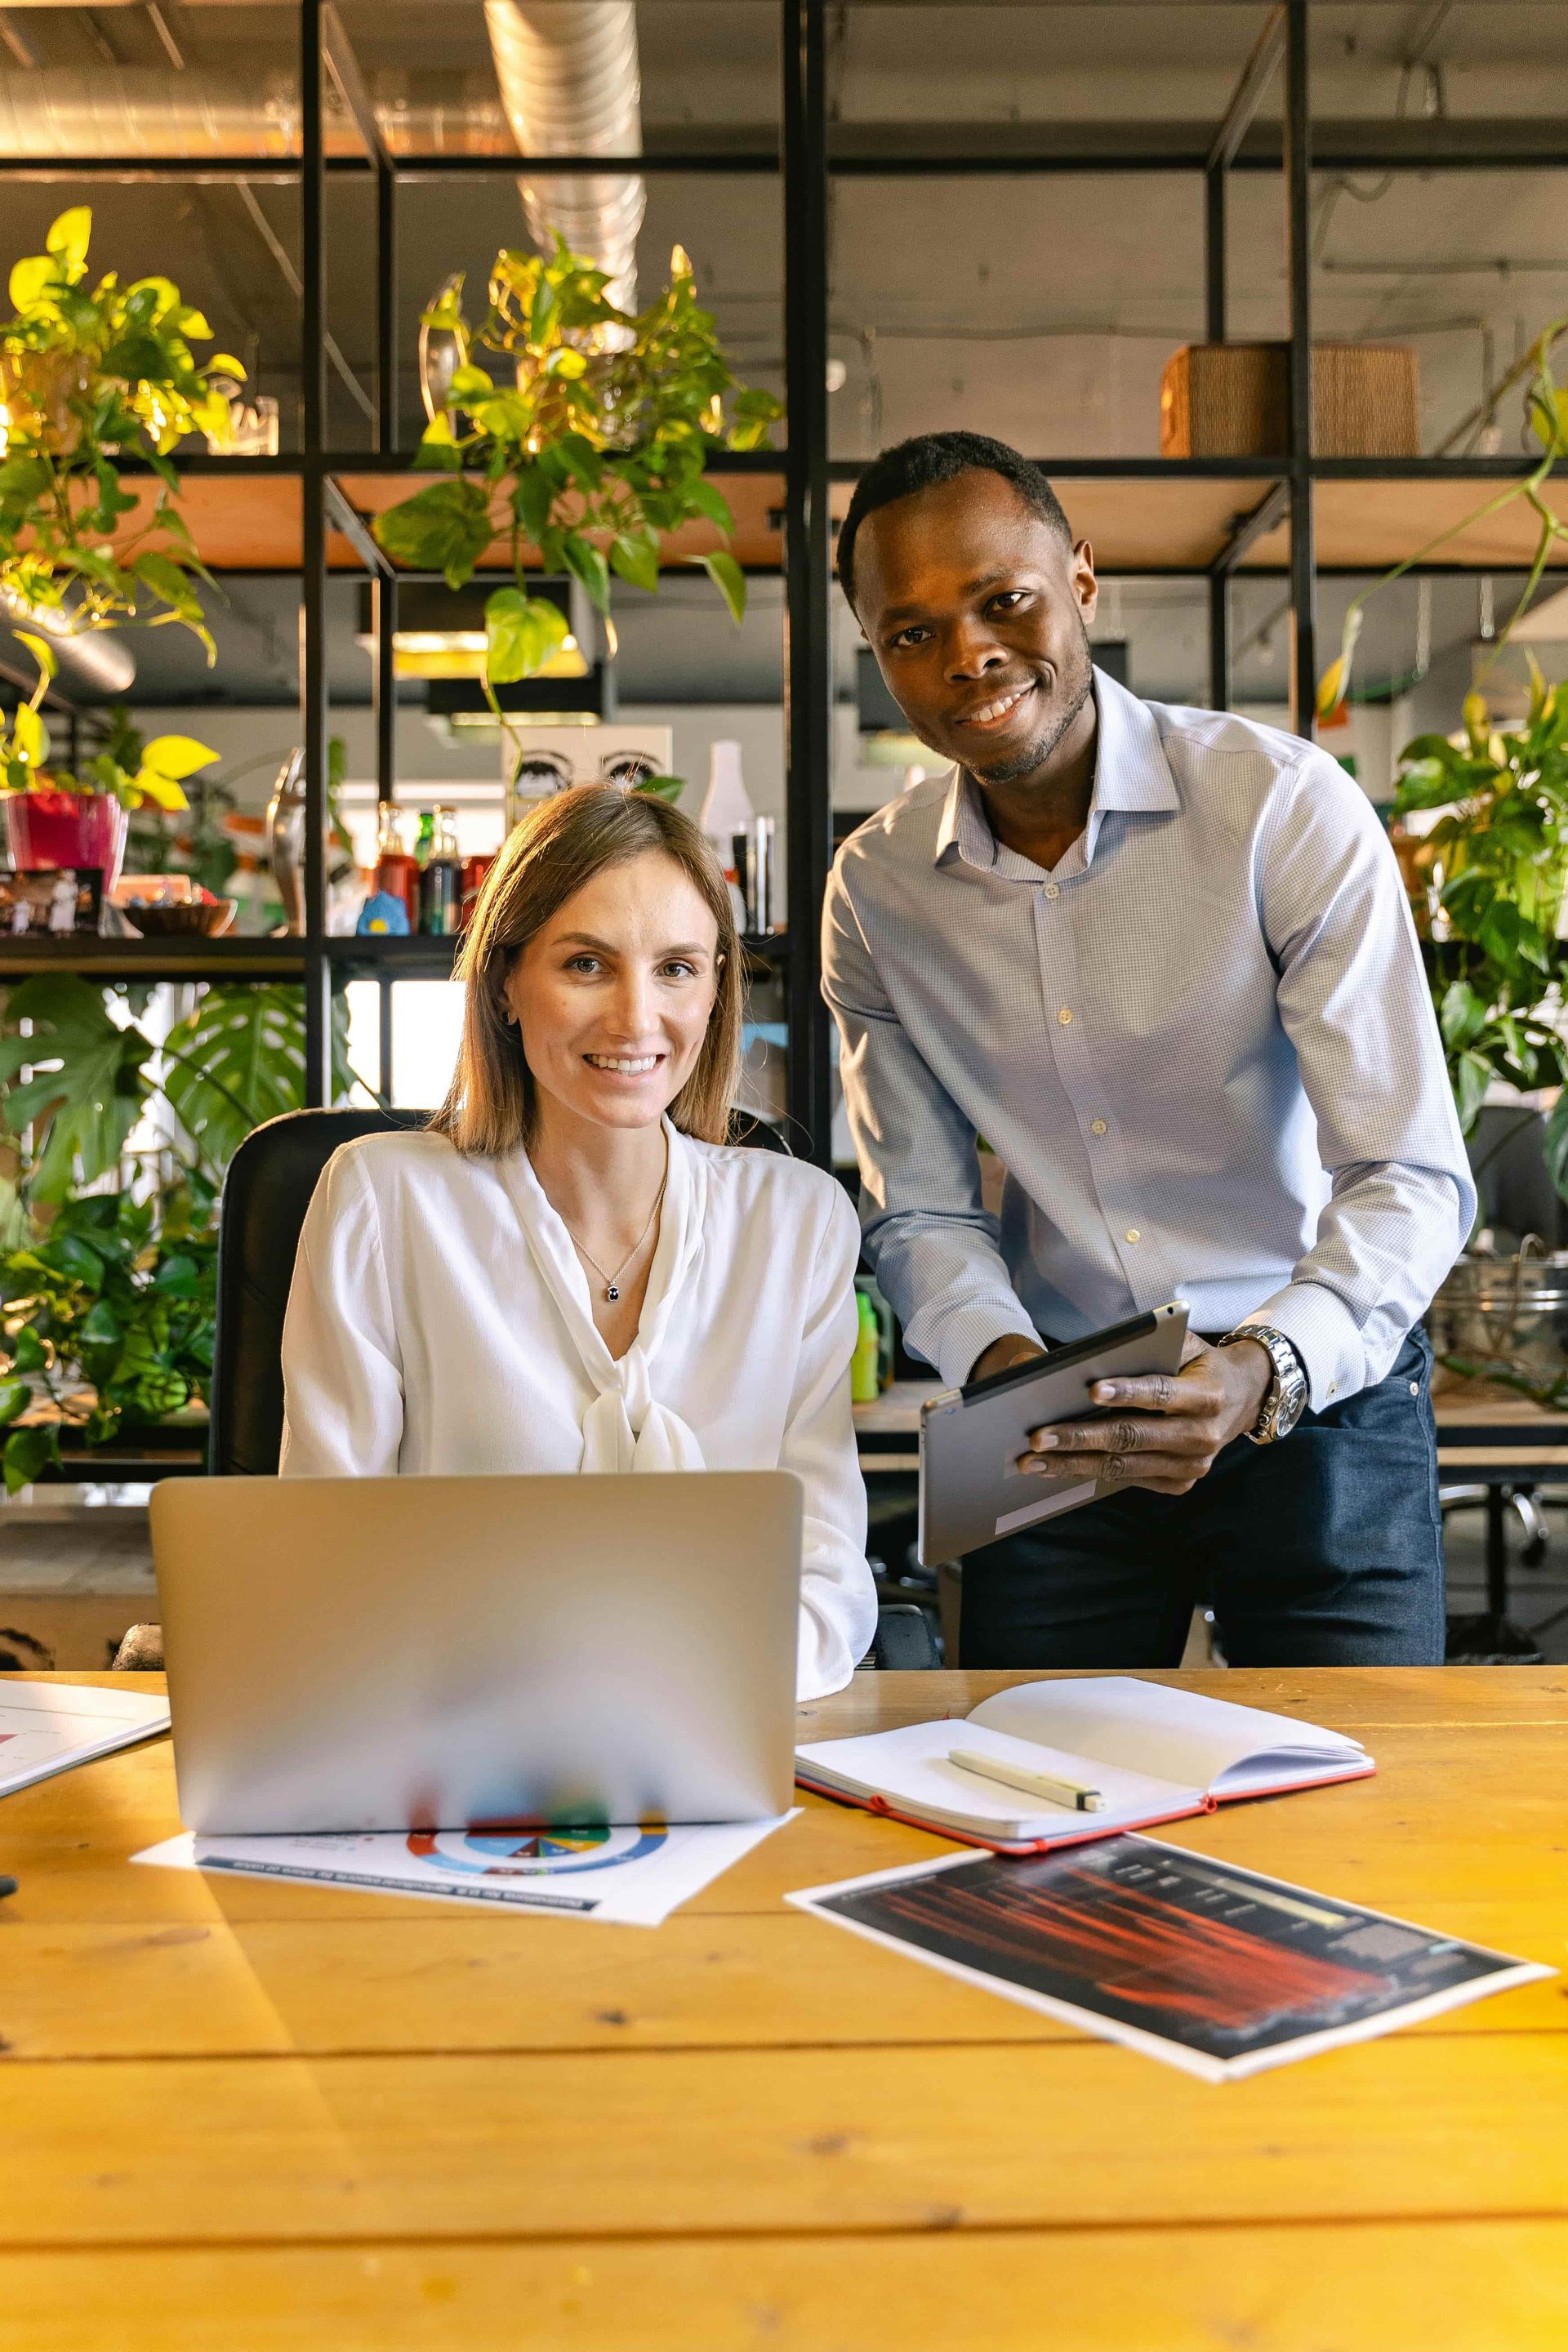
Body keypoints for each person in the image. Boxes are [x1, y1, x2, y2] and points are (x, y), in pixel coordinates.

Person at [823, 430, 1474, 1670]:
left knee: (1363, 1814)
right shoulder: (877, 893)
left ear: (1081, 578)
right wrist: (1009, 1370)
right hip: (1055, 1416)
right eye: (912, 634)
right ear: (878, 653)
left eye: (1002, 600)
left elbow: (1407, 1174)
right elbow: (918, 1213)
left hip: (1314, 1389)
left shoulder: (1279, 808)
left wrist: (1257, 1370)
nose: (967, 655)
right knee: (1033, 1804)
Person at [281, 785, 877, 1700]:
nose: (638, 1020)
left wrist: (683, 1682)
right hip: (447, 1732)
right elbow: (323, 1553)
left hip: (724, 1725)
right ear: (508, 985)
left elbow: (827, 1573)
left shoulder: (796, 1220)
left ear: (718, 987)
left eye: (677, 967)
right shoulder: (383, 1199)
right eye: (587, 965)